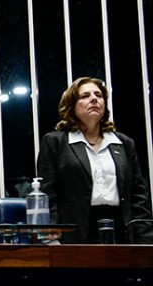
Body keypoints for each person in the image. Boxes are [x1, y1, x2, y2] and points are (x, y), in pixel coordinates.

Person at [37, 77, 153, 243]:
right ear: (71, 106)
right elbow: (48, 192)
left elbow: (138, 195)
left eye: (98, 95)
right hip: (75, 231)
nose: (94, 99)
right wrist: (52, 236)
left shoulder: (123, 143)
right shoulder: (56, 142)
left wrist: (146, 240)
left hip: (121, 228)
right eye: (85, 96)